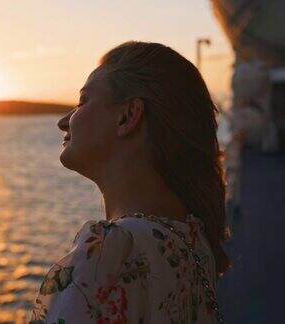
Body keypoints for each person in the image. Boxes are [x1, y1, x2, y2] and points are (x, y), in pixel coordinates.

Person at [29, 41, 231, 323]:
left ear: (128, 116)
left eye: (83, 101)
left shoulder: (109, 253)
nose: (64, 121)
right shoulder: (193, 243)